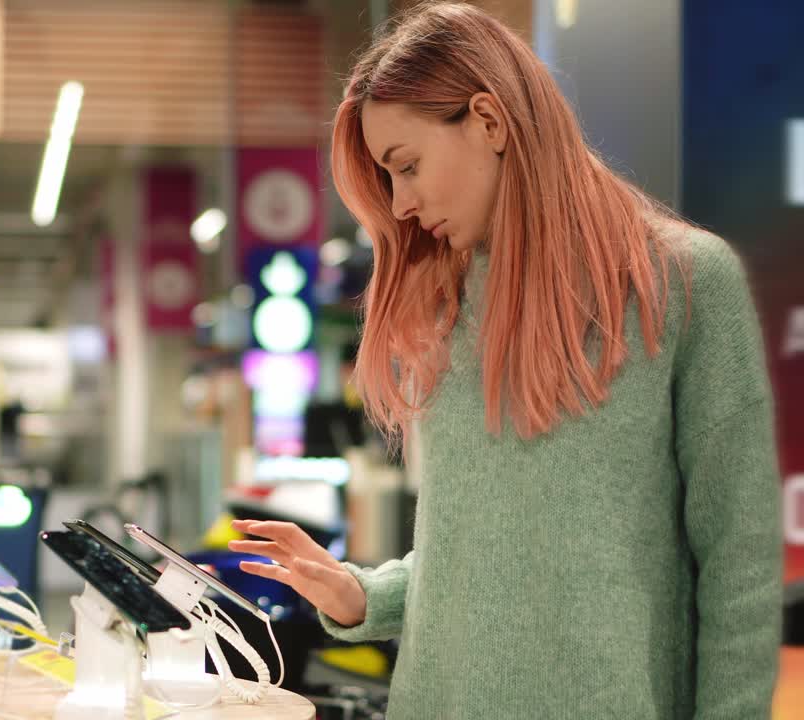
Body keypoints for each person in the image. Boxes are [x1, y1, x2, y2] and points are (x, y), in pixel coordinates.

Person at [229, 3, 782, 718]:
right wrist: (363, 594)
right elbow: (482, 555)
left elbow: (739, 567)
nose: (399, 204)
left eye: (406, 166)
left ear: (489, 121)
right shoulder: (443, 302)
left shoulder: (683, 283)